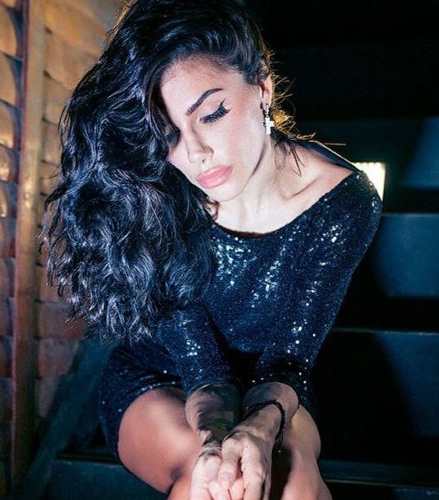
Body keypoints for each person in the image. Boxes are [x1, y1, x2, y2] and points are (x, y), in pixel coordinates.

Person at [42, 0, 382, 498]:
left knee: (292, 479)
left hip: (279, 385)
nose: (195, 153)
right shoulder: (156, 197)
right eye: (168, 134)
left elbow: (289, 359)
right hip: (160, 376)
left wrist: (260, 426)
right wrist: (213, 439)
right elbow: (202, 368)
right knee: (210, 480)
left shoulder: (344, 203)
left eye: (212, 114)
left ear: (262, 88)